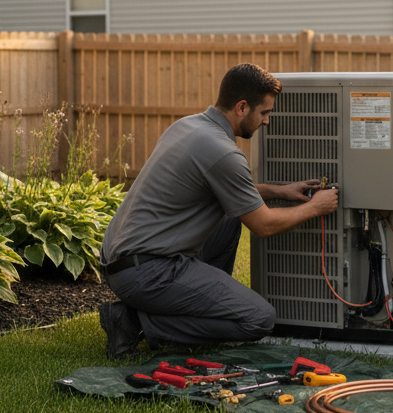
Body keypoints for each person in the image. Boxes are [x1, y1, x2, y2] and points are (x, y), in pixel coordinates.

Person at [98, 63, 338, 358]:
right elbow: (263, 225)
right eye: (264, 113)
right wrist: (317, 207)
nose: (266, 122)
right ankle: (133, 322)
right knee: (258, 318)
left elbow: (221, 190)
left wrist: (280, 190)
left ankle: (195, 306)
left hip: (120, 259)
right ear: (241, 107)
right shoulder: (222, 151)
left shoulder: (189, 126)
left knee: (228, 221)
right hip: (147, 272)